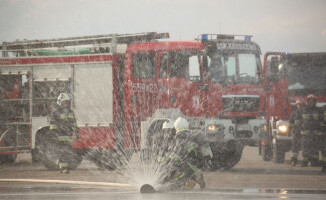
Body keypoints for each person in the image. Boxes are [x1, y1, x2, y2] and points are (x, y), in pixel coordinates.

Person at [170, 117, 205, 189]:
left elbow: (174, 158)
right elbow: (200, 159)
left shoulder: (178, 144)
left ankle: (187, 183)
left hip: (186, 171)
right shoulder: (194, 142)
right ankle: (194, 181)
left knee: (175, 179)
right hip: (195, 171)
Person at [49, 93, 79, 174]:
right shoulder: (56, 112)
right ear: (60, 102)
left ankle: (63, 165)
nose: (65, 104)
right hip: (60, 136)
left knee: (68, 152)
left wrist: (76, 132)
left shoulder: (70, 112)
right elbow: (53, 125)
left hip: (68, 136)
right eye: (64, 102)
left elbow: (74, 123)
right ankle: (63, 168)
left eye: (67, 102)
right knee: (62, 152)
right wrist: (54, 135)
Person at [300, 94, 323, 167]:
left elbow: (321, 121)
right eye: (309, 101)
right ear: (307, 102)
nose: (311, 102)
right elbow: (299, 120)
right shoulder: (303, 110)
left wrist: (321, 128)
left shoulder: (318, 110)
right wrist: (299, 127)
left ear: (315, 102)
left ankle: (314, 162)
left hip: (315, 133)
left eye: (312, 101)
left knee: (314, 148)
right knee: (305, 147)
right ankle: (304, 162)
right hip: (305, 133)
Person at [289, 100, 304, 166]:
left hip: (304, 133)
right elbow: (290, 122)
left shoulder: (305, 113)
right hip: (296, 133)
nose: (299, 106)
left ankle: (304, 161)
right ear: (296, 105)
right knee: (295, 147)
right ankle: (293, 161)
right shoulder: (294, 113)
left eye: (300, 105)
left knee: (304, 147)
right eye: (298, 105)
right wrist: (289, 130)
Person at [319, 106, 326, 173]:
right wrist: (322, 129)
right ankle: (324, 167)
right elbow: (321, 121)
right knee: (324, 151)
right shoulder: (323, 109)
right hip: (324, 132)